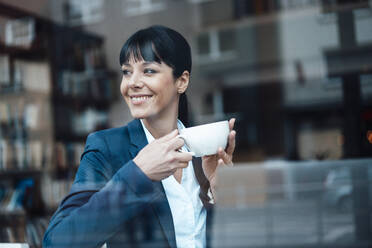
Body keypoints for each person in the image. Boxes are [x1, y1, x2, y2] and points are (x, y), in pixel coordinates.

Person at [43, 25, 236, 248]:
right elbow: (57, 242)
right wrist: (138, 174)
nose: (132, 83)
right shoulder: (107, 148)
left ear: (181, 81)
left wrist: (221, 195)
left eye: (148, 71)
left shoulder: (203, 151)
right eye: (127, 71)